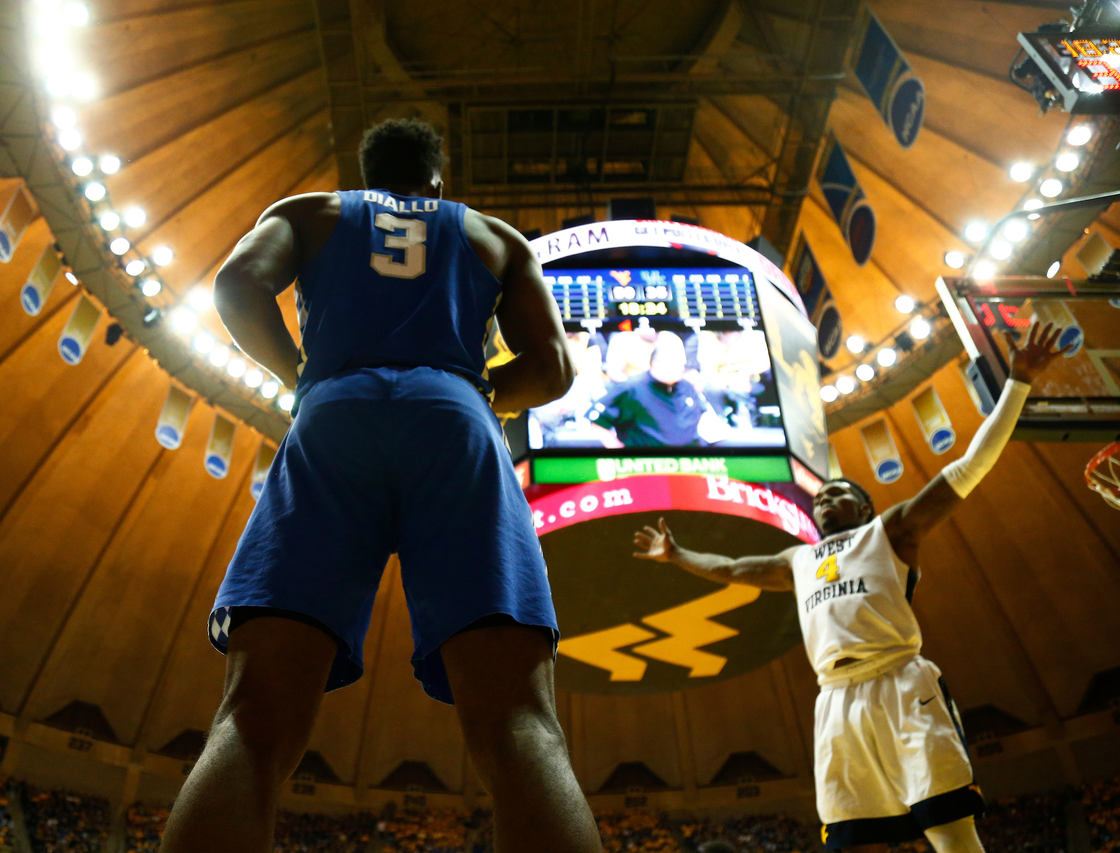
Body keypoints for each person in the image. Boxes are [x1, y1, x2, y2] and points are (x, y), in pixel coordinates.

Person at [160, 118, 601, 853]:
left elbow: (237, 284)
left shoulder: (313, 211)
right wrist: (478, 392)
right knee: (520, 723)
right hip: (455, 414)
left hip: (333, 410)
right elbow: (552, 367)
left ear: (366, 177)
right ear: (437, 183)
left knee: (253, 719)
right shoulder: (495, 236)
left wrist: (296, 373)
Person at [632, 323, 1064, 853]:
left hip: (901, 681)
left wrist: (1017, 382)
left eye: (838, 491)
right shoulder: (799, 558)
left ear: (864, 509)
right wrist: (678, 556)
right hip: (834, 700)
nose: (823, 499)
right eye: (819, 497)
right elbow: (732, 568)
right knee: (853, 838)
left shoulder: (893, 529)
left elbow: (970, 465)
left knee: (949, 828)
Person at [590, 330, 726, 447]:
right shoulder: (630, 388)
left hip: (689, 463)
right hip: (645, 466)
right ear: (656, 364)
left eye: (682, 364)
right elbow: (597, 420)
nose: (681, 368)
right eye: (675, 365)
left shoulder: (687, 386)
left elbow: (706, 420)